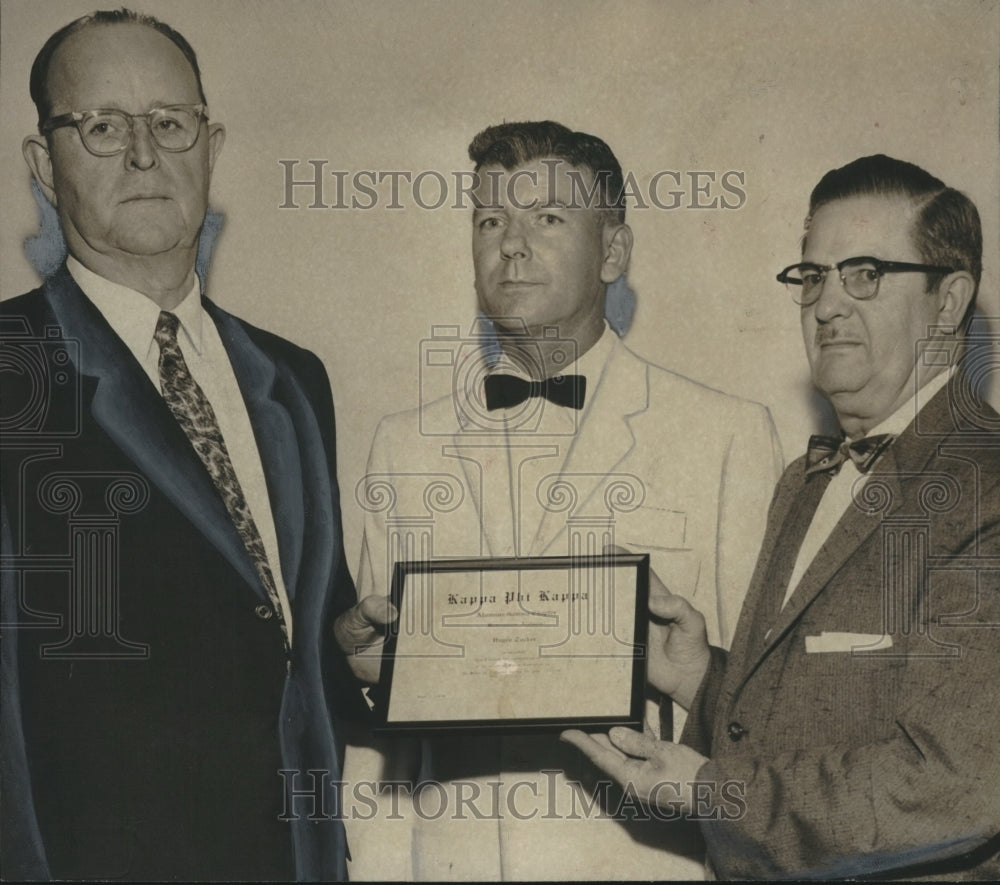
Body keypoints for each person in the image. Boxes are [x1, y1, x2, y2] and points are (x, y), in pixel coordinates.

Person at [346, 121, 783, 880]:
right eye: (489, 220)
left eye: (547, 218)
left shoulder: (727, 435)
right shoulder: (400, 445)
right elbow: (377, 733)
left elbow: (766, 706)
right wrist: (356, 667)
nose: (511, 245)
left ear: (614, 251)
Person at [0, 9, 381, 880]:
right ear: (42, 165)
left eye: (169, 124)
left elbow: (289, 649)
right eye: (101, 126)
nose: (144, 154)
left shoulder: (292, 377)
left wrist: (355, 651)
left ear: (210, 145)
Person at [564, 154, 1000, 879]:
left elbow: (954, 781)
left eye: (865, 273)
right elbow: (821, 721)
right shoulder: (806, 479)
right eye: (813, 276)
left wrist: (707, 788)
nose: (827, 304)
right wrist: (702, 680)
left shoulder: (988, 486)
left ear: (949, 300)